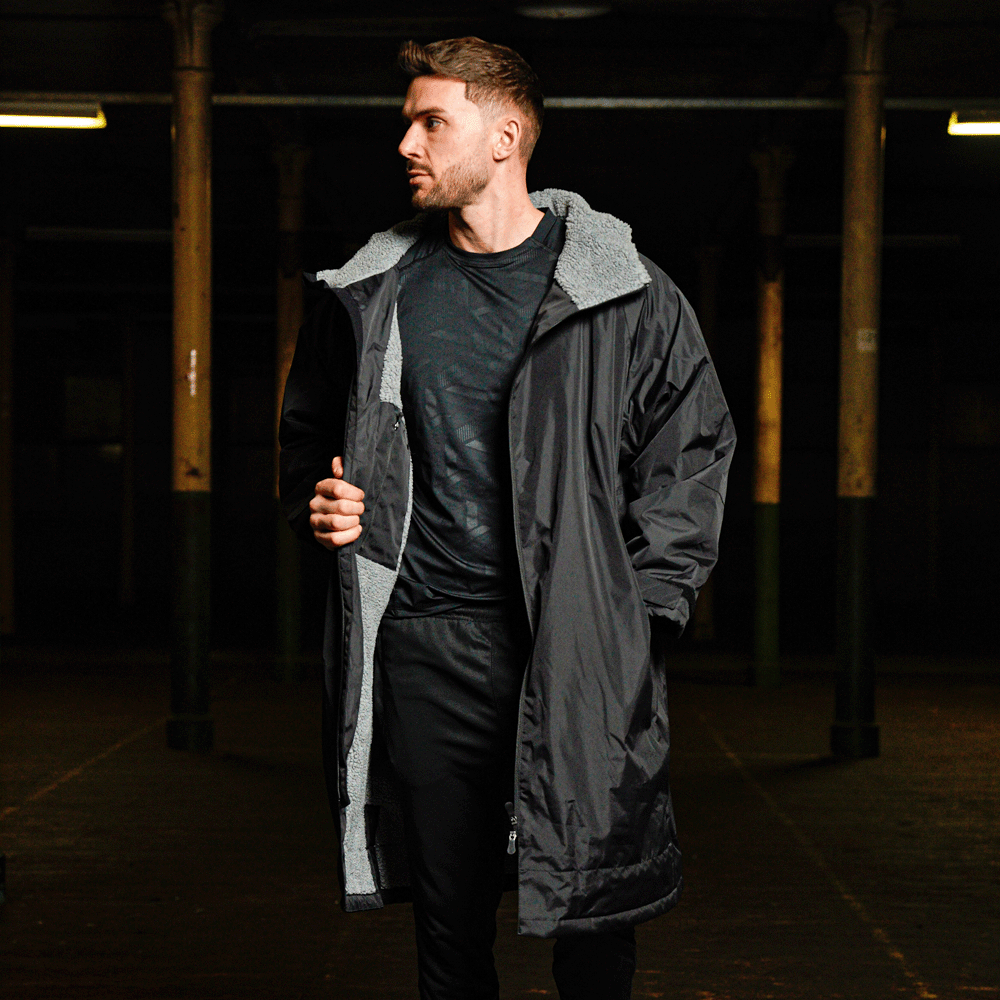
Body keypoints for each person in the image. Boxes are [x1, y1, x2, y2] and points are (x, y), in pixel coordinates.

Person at [279, 36, 735, 1000]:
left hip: (572, 646)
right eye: (407, 122)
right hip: (425, 647)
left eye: (431, 122)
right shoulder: (371, 294)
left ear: (505, 136)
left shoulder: (624, 292)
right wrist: (321, 500)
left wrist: (635, 616)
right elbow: (308, 440)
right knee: (449, 932)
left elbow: (692, 453)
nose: (407, 143)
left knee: (594, 919)